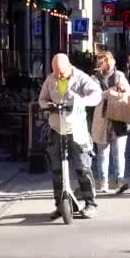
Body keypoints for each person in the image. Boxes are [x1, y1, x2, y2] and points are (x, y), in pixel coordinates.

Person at [38, 53, 102, 219]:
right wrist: (48, 106)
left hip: (76, 128)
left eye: (61, 72)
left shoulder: (80, 77)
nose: (58, 75)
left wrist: (81, 102)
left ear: (69, 66)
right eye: (55, 71)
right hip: (56, 128)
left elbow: (96, 94)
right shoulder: (50, 79)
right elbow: (42, 99)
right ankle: (60, 205)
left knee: (82, 167)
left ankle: (90, 203)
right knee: (57, 169)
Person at [90, 51, 130, 194]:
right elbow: (94, 96)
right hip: (102, 120)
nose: (108, 64)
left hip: (118, 118)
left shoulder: (119, 75)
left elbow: (129, 93)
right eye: (104, 62)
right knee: (102, 153)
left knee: (119, 153)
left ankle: (120, 181)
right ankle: (103, 183)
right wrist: (109, 92)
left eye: (109, 61)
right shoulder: (94, 78)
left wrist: (122, 90)